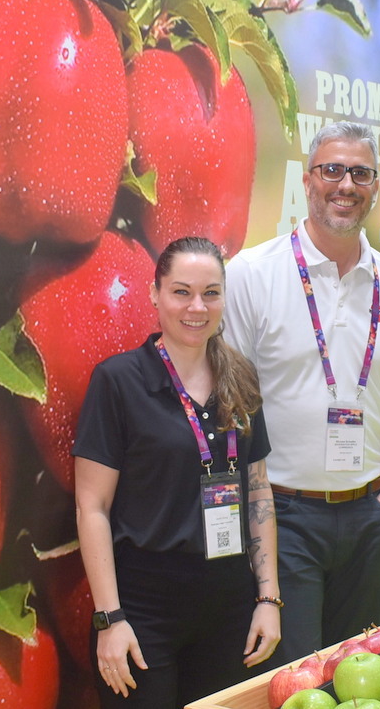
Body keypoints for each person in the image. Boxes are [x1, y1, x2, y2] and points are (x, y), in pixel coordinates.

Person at [223, 121, 380, 664]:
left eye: (360, 173)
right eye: (332, 170)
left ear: (376, 187)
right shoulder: (251, 274)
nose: (346, 185)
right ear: (307, 180)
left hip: (371, 513)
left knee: (358, 673)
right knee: (294, 674)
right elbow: (231, 406)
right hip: (283, 516)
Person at [74, 237, 280, 707]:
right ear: (155, 294)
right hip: (144, 613)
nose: (197, 307)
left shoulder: (241, 378)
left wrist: (268, 599)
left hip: (231, 606)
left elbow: (258, 492)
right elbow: (92, 507)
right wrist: (110, 618)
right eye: (181, 292)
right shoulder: (118, 381)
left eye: (211, 293)